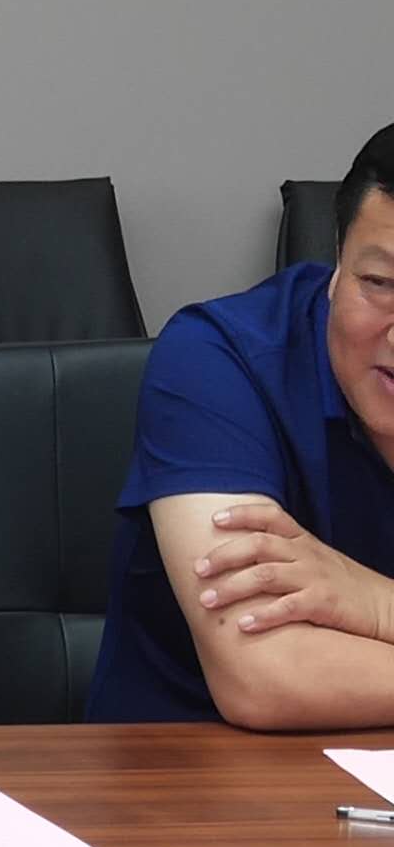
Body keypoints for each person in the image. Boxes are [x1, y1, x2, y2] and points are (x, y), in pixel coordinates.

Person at [90, 123, 394, 729]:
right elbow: (266, 676)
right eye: (380, 284)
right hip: (189, 774)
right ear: (337, 263)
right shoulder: (218, 361)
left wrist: (379, 603)